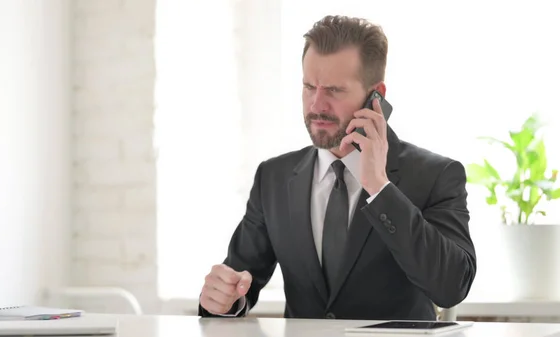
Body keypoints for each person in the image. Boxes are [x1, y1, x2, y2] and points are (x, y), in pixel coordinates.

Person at [198, 15, 477, 320]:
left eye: (333, 90)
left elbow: (452, 287)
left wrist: (380, 187)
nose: (316, 105)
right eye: (308, 87)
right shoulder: (274, 177)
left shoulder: (435, 175)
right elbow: (239, 282)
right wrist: (223, 300)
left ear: (376, 96)